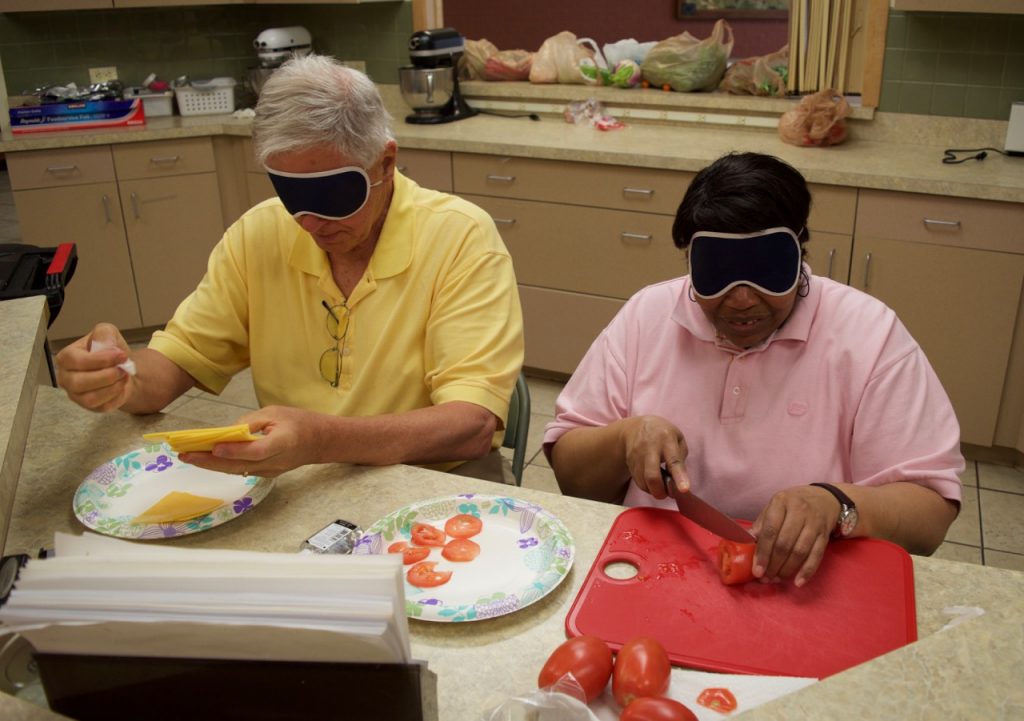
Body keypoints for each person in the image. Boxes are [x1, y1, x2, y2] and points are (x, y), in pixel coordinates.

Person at [55, 55, 524, 479]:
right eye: (292, 195)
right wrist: (117, 376)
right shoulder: (258, 235)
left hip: (434, 479)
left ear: (386, 162)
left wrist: (320, 440)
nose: (310, 222)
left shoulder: (460, 238)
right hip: (301, 479)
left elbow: (471, 426)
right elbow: (172, 367)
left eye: (333, 195)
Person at [544, 152, 963, 586]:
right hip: (653, 567)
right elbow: (572, 476)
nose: (742, 299)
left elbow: (931, 513)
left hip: (809, 581)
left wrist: (835, 504)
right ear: (689, 262)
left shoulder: (870, 335)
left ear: (800, 252)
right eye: (718, 273)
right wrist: (625, 438)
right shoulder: (647, 315)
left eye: (765, 270)